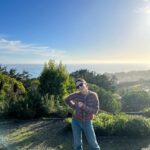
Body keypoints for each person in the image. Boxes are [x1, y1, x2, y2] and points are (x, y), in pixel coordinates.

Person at [65, 78, 100, 150]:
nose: (80, 87)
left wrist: (84, 106)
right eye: (77, 87)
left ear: (86, 84)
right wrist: (74, 106)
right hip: (75, 121)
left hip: (87, 122)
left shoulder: (93, 95)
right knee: (77, 143)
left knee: (93, 143)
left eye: (81, 85)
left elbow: (95, 111)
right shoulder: (76, 95)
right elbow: (66, 99)